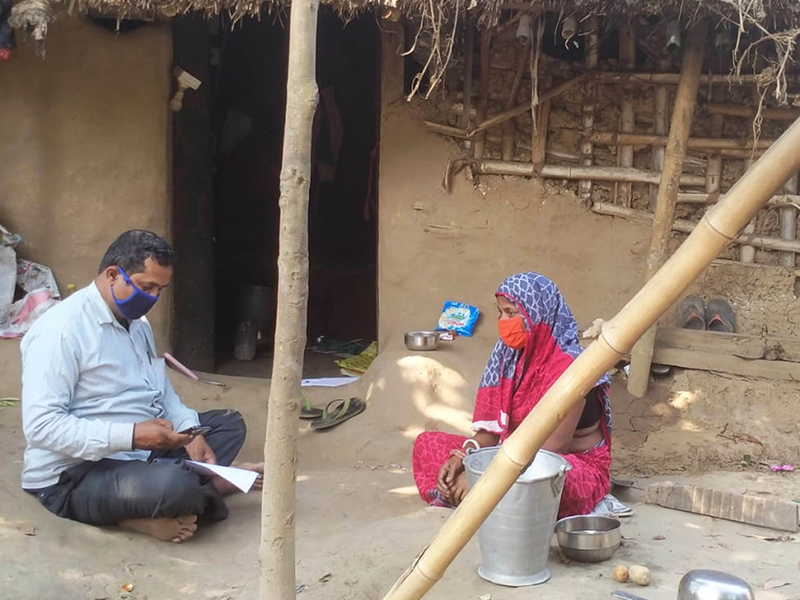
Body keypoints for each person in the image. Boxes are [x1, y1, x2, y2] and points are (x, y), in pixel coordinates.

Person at [21, 230, 263, 543]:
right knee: (175, 486)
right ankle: (200, 492)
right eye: (146, 287)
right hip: (77, 473)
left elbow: (160, 390)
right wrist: (132, 436)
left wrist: (187, 429)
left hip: (140, 454)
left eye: (160, 290)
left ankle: (179, 491)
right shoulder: (61, 331)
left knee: (228, 425)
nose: (152, 298)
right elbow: (42, 428)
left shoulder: (138, 324)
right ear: (112, 275)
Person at [412, 272, 612, 518]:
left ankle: (479, 499)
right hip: (511, 456)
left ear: (537, 314)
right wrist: (463, 456)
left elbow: (551, 449)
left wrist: (482, 475)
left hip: (563, 463)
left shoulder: (573, 368)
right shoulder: (507, 358)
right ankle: (480, 499)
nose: (503, 321)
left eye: (511, 313)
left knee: (548, 483)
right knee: (427, 445)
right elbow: (490, 434)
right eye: (500, 313)